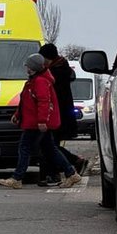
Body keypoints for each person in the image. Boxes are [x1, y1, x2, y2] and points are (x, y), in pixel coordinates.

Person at [0, 54, 82, 189]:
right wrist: (17, 114)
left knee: (24, 148)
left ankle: (17, 178)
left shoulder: (39, 82)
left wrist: (42, 121)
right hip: (36, 121)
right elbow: (26, 102)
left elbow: (44, 102)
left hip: (36, 123)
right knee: (50, 149)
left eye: (27, 65)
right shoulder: (35, 80)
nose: (26, 67)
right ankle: (71, 173)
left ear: (33, 67)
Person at [38, 43, 89, 186]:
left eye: (43, 58)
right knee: (50, 144)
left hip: (57, 115)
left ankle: (64, 168)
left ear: (48, 58)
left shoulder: (54, 72)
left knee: (49, 145)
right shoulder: (61, 68)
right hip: (62, 114)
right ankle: (57, 171)